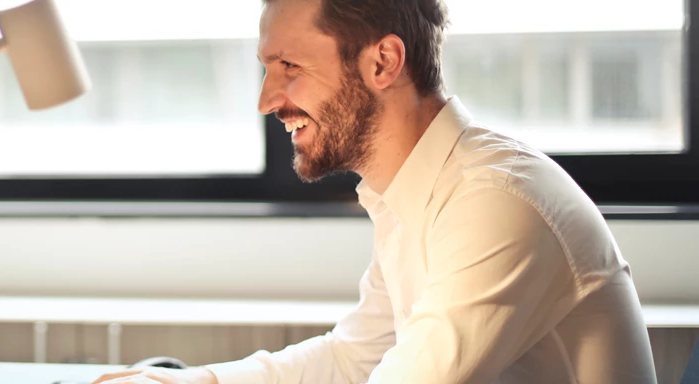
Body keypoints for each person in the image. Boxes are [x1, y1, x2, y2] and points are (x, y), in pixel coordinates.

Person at [92, 0, 658, 383]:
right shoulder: (409, 193)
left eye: (288, 65)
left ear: (383, 61)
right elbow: (353, 358)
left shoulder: (496, 203)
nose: (267, 100)